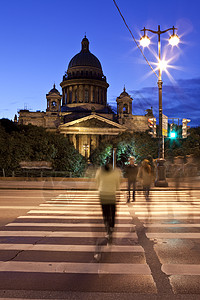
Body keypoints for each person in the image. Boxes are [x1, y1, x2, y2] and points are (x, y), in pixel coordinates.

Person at [95, 161, 121, 239]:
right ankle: (111, 226)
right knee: (112, 212)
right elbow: (117, 184)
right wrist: (118, 193)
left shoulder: (99, 171)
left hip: (103, 194)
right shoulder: (115, 172)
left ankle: (107, 228)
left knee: (105, 213)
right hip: (111, 195)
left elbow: (97, 181)